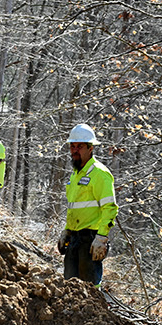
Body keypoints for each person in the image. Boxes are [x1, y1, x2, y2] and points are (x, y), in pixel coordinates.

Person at [57, 123, 119, 287]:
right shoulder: (75, 174)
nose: (75, 150)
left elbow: (110, 208)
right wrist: (67, 231)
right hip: (75, 237)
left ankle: (94, 312)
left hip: (91, 238)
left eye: (80, 146)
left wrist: (101, 238)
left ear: (90, 148)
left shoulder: (99, 173)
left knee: (89, 285)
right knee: (69, 282)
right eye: (72, 146)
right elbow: (75, 208)